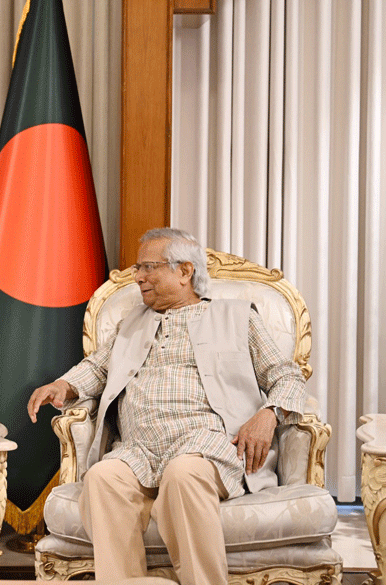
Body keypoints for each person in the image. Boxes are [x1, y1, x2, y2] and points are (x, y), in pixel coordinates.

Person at [26, 228, 306, 585]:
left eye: (149, 267)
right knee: (102, 478)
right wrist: (63, 385)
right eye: (137, 268)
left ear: (185, 271)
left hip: (203, 444)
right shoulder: (131, 323)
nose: (138, 276)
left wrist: (269, 414)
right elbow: (98, 367)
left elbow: (287, 376)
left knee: (183, 474)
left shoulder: (237, 317)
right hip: (137, 450)